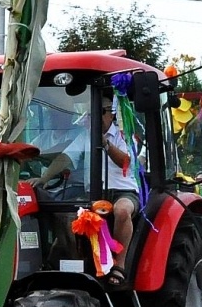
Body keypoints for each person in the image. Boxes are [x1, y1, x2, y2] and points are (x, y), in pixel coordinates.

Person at [38, 94, 139, 273]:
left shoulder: (124, 135)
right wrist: (43, 179)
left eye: (100, 112)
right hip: (92, 194)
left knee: (122, 210)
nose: (95, 118)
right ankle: (72, 266)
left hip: (123, 191)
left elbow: (126, 162)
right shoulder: (86, 136)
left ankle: (119, 265)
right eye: (91, 114)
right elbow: (66, 158)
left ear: (111, 114)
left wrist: (105, 143)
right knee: (65, 215)